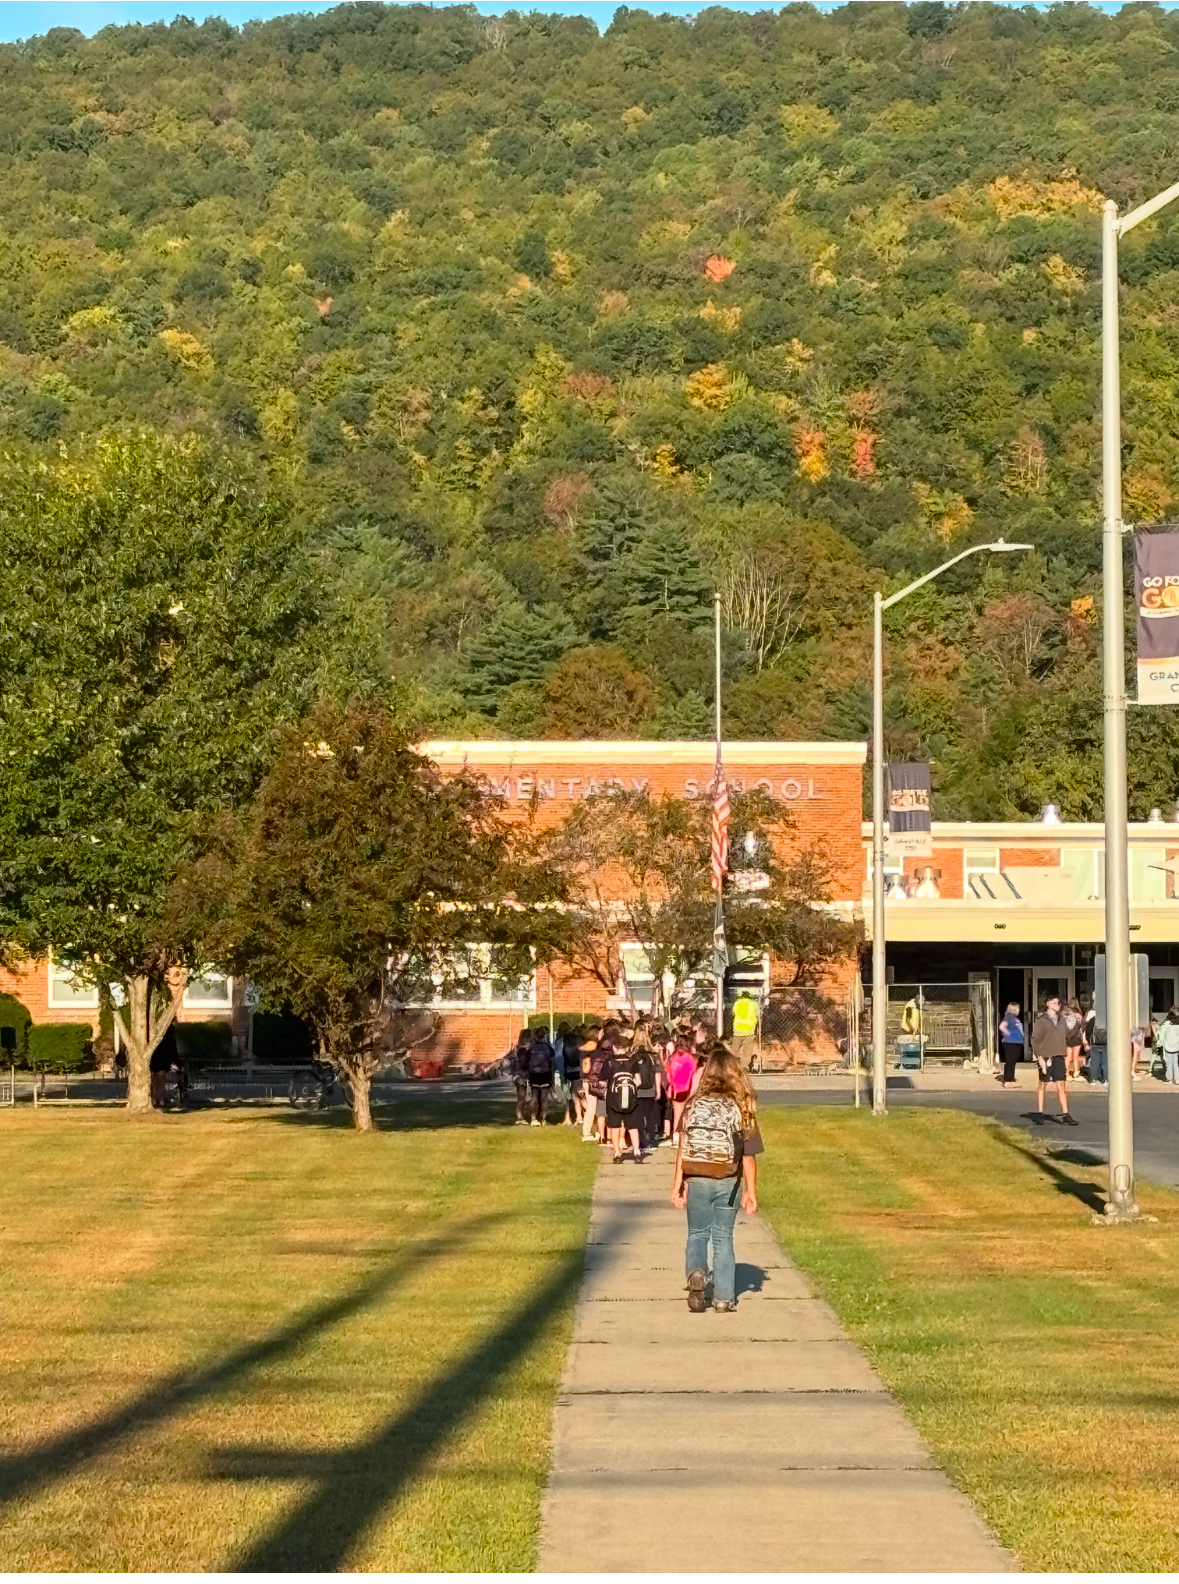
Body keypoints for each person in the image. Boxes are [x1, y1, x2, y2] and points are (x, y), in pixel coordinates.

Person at [671, 1043, 763, 1313]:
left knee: (697, 1233)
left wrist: (677, 1185)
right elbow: (748, 1155)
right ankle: (724, 1297)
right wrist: (751, 1191)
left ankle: (697, 1273)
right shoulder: (742, 1108)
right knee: (723, 1237)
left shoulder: (693, 1105)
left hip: (697, 1175)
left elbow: (682, 1148)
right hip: (727, 1178)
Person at [1030, 994, 1078, 1126]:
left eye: (1059, 1003)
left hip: (1058, 1055)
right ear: (1048, 1004)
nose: (1058, 1005)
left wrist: (1077, 1024)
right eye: (1055, 1003)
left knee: (1061, 1084)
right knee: (1043, 1084)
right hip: (1045, 1056)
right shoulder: (1041, 1020)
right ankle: (1039, 1113)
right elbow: (1035, 1039)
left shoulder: (1062, 1020)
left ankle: (1065, 1113)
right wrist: (1039, 1055)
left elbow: (1068, 1035)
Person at [602, 1037, 643, 1164]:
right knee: (633, 1125)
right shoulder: (633, 1061)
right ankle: (636, 1151)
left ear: (614, 1047)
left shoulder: (609, 1062)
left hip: (613, 1099)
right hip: (631, 1100)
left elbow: (603, 1081)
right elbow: (639, 1081)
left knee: (615, 1126)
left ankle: (617, 1153)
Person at [666, 1032, 699, 1141]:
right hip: (687, 1088)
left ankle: (675, 1135)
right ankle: (683, 1135)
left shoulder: (672, 1058)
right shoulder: (690, 1058)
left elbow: (668, 1075)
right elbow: (693, 1073)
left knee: (676, 1113)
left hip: (675, 1088)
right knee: (685, 1113)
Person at [632, 1028, 660, 1152]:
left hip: (636, 1090)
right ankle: (652, 1140)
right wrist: (658, 1090)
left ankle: (641, 1141)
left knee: (638, 1117)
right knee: (650, 1117)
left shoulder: (632, 1056)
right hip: (650, 1089)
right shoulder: (652, 1056)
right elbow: (657, 1074)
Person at [527, 1027, 554, 1126]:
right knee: (544, 1097)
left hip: (534, 1073)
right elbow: (551, 1061)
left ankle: (533, 1118)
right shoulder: (547, 1047)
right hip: (545, 1073)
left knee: (534, 1096)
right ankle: (543, 1118)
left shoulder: (531, 1047)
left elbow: (527, 1060)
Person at [998, 1002, 1024, 1087]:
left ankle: (1011, 1078)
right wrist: (1008, 1033)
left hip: (1017, 1042)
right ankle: (1008, 1080)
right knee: (1010, 1061)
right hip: (1010, 1042)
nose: (1019, 1010)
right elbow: (1002, 1026)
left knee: (1013, 1061)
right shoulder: (1008, 1017)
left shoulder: (1015, 1018)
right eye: (1018, 1008)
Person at [509, 1029, 532, 1126]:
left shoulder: (517, 1047)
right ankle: (519, 1116)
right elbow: (523, 1063)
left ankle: (523, 1113)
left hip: (517, 1075)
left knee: (523, 1097)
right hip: (521, 1075)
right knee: (521, 1097)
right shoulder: (523, 1048)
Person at [1063, 997, 1085, 1083]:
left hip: (1068, 1036)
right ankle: (1076, 1072)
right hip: (1077, 1036)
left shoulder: (1066, 1013)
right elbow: (1082, 1027)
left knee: (1068, 1056)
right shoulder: (1078, 1014)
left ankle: (1066, 1073)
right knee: (1076, 1056)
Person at [1158, 1006, 1179, 1085]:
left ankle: (1169, 1078)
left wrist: (1159, 1043)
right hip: (1177, 1047)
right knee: (1176, 1062)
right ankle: (1177, 1079)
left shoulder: (1166, 1024)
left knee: (1168, 1062)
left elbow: (1162, 1033)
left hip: (1167, 1046)